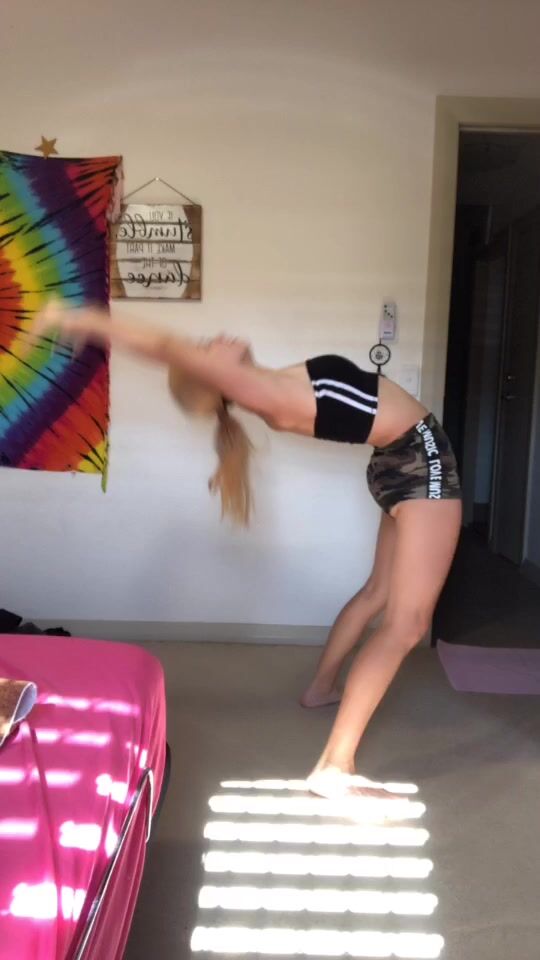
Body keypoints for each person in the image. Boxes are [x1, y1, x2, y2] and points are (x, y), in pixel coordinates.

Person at [34, 301, 462, 799]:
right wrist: (83, 320)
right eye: (206, 351)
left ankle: (321, 688)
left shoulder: (269, 383)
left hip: (395, 463)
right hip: (420, 464)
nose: (214, 340)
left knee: (377, 593)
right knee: (406, 625)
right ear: (219, 379)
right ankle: (335, 766)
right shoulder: (263, 393)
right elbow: (164, 346)